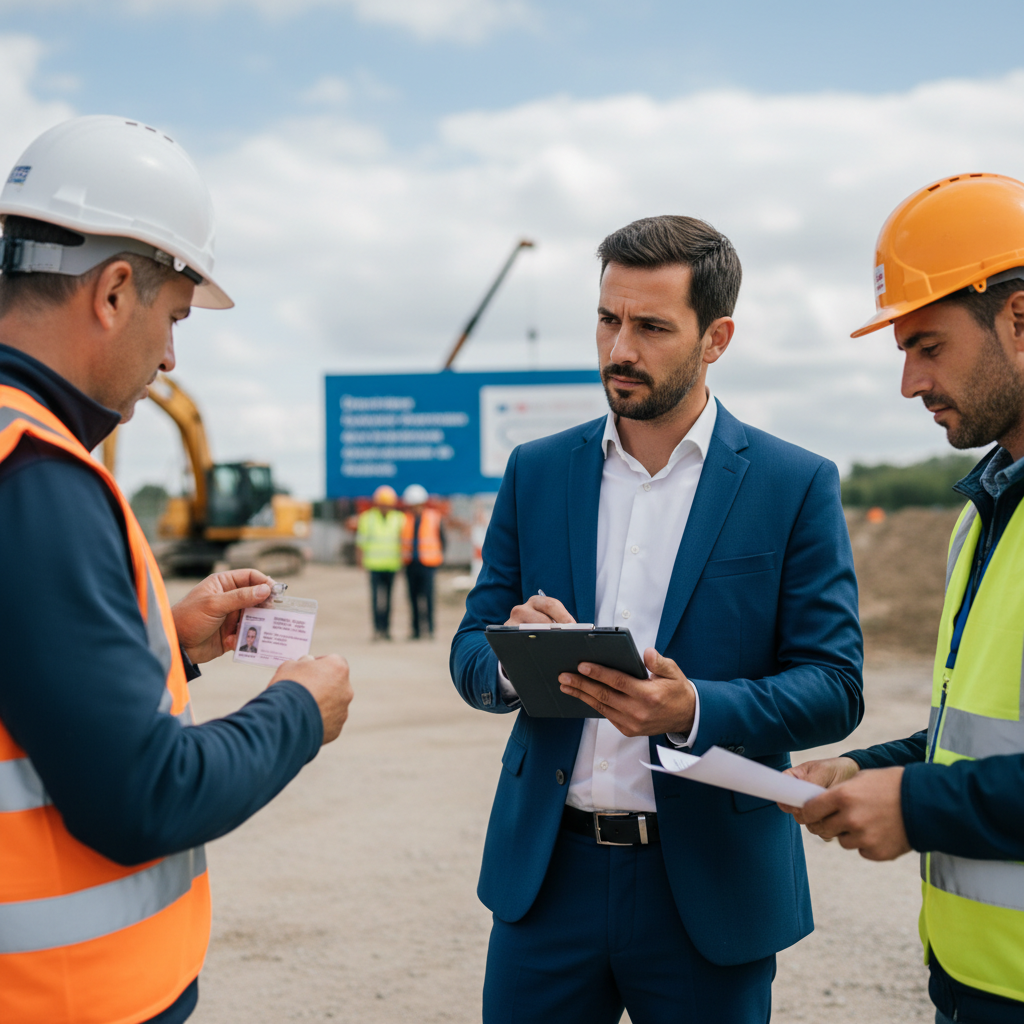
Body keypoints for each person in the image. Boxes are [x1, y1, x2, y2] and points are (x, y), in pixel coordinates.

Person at [450, 215, 864, 1024]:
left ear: (717, 339)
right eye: (608, 319)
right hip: (548, 881)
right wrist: (512, 661)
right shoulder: (536, 472)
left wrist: (696, 708)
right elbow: (470, 648)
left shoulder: (792, 483)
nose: (619, 350)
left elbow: (835, 685)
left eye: (650, 327)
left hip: (708, 887)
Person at [0, 116, 353, 1024]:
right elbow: (143, 797)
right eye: (173, 319)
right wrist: (297, 713)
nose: (167, 359)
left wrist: (174, 647)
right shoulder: (37, 478)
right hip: (61, 1001)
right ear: (116, 290)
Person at [780, 173, 1024, 1024]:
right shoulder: (988, 513)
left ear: (1020, 322)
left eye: (929, 346)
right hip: (978, 977)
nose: (909, 383)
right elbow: (979, 735)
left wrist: (916, 807)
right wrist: (875, 769)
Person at [355, 484, 405, 639]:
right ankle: (377, 630)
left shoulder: (399, 519)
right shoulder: (367, 518)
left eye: (387, 504)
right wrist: (360, 561)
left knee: (389, 601)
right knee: (376, 600)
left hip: (392, 565)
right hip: (374, 565)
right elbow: (360, 542)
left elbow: (404, 542)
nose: (385, 507)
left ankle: (386, 630)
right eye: (382, 504)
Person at [401, 483, 444, 640]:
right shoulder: (405, 519)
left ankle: (430, 629)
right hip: (410, 565)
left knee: (428, 599)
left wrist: (438, 559)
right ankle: (416, 630)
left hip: (428, 565)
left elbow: (442, 539)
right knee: (413, 599)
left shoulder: (434, 517)